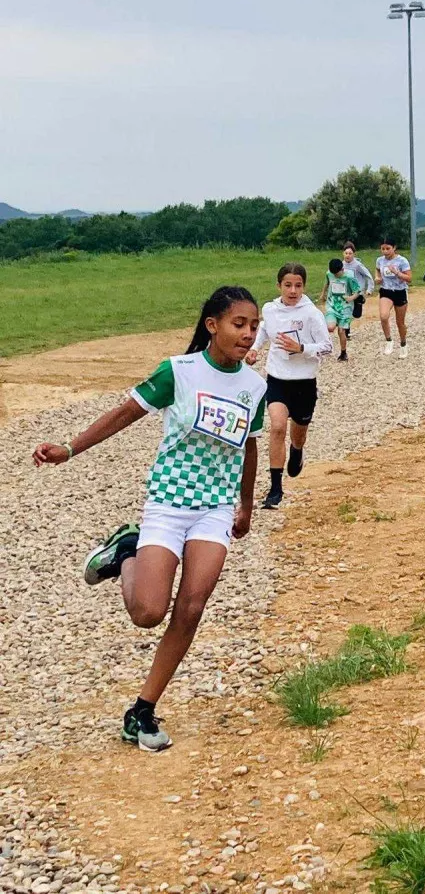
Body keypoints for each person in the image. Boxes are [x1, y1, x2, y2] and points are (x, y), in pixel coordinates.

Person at [32, 286, 268, 752]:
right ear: (213, 326)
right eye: (239, 324)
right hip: (169, 502)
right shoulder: (177, 372)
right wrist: (69, 449)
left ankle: (142, 710)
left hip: (215, 509)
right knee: (148, 613)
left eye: (254, 326)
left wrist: (245, 504)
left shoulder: (254, 387)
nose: (248, 334)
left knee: (192, 607)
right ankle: (127, 553)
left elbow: (250, 447)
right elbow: (124, 413)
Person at [249, 263, 332, 509]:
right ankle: (275, 488)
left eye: (298, 285)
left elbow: (327, 347)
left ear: (304, 287)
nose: (293, 290)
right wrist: (255, 349)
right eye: (288, 285)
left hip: (304, 381)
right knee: (277, 427)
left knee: (298, 431)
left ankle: (297, 449)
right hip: (277, 378)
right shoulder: (270, 309)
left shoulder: (311, 314)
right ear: (279, 286)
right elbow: (265, 329)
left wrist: (302, 348)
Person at [375, 238, 412, 357]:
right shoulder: (380, 260)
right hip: (386, 291)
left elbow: (409, 278)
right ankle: (389, 341)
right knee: (383, 316)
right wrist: (378, 277)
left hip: (400, 291)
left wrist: (397, 273)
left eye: (388, 249)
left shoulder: (402, 261)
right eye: (383, 249)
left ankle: (403, 344)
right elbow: (377, 270)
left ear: (394, 248)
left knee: (400, 322)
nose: (385, 251)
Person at [320, 258, 361, 361]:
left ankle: (343, 353)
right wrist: (323, 294)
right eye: (333, 274)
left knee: (341, 331)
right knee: (330, 327)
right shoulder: (329, 274)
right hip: (332, 305)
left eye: (337, 274)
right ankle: (321, 344)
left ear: (342, 269)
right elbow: (327, 283)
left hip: (346, 308)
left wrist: (351, 298)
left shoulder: (349, 277)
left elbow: (357, 291)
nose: (335, 275)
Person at [342, 242, 375, 334]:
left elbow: (368, 275)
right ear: (343, 253)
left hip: (357, 292)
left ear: (354, 254)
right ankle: (346, 332)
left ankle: (361, 300)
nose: (348, 255)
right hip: (346, 292)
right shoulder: (341, 265)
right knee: (346, 311)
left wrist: (369, 289)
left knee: (356, 314)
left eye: (350, 253)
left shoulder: (357, 265)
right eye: (346, 253)